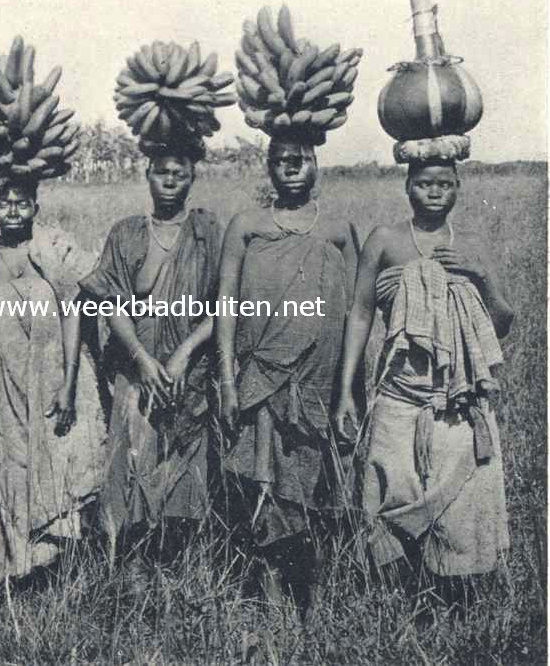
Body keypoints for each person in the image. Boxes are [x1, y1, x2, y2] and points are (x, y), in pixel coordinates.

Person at [334, 159, 512, 599]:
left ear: (458, 188)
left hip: (458, 403)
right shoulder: (385, 241)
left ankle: (457, 602)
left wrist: (480, 274)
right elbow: (358, 314)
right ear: (407, 187)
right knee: (392, 494)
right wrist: (345, 393)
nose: (435, 192)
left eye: (445, 184)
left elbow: (503, 321)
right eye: (424, 184)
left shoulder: (471, 244)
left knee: (460, 505)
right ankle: (397, 602)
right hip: (398, 397)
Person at [216, 134, 360, 615]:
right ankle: (272, 604)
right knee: (264, 493)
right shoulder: (247, 227)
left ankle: (313, 606)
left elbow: (357, 317)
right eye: (281, 161)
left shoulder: (338, 230)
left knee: (313, 498)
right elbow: (226, 308)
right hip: (261, 381)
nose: (292, 167)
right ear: (269, 168)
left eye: (301, 159)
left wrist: (348, 394)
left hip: (317, 384)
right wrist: (229, 381)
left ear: (317, 161)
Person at [77, 137, 222, 582]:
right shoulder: (126, 233)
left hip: (189, 375)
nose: (171, 181)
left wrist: (183, 353)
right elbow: (108, 301)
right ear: (147, 175)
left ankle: (175, 571)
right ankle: (132, 572)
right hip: (136, 373)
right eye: (162, 172)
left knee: (183, 474)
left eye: (180, 173)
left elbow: (227, 305)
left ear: (193, 177)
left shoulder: (209, 233)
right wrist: (140, 357)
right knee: (132, 466)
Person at [0, 177, 106, 581]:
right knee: (10, 466)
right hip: (0, 383)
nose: (12, 211)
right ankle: (17, 572)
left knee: (60, 464)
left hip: (51, 376)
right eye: (3, 203)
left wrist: (70, 384)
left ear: (35, 207)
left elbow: (74, 312)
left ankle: (56, 571)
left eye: (21, 203)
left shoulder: (49, 251)